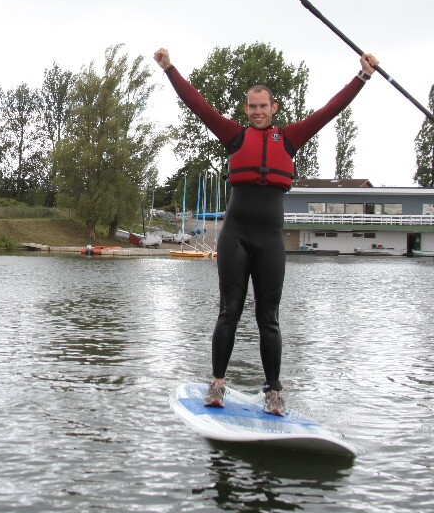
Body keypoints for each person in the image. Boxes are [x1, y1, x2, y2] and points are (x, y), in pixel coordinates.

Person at [153, 48, 378, 415]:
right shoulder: (235, 137)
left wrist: (363, 76)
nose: (258, 112)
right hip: (236, 237)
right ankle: (217, 384)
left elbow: (329, 111)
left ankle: (273, 391)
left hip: (270, 241)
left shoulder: (289, 139)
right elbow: (198, 105)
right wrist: (169, 68)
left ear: (274, 108)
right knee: (229, 310)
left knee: (268, 318)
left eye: (264, 106)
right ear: (246, 110)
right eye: (252, 107)